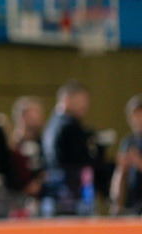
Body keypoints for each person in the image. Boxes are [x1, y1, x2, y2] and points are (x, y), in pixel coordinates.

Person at [41, 80, 107, 210]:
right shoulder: (68, 125)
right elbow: (81, 159)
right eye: (80, 100)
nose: (85, 105)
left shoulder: (51, 123)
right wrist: (99, 150)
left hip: (54, 189)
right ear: (66, 99)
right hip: (71, 190)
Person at [111, 94, 142, 216]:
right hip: (133, 205)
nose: (137, 121)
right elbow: (121, 171)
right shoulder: (129, 141)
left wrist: (138, 162)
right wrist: (117, 201)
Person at [10, 95, 45, 197]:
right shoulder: (11, 144)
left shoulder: (43, 143)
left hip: (40, 194)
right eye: (34, 114)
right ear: (21, 116)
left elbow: (47, 167)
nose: (38, 118)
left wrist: (39, 182)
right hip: (16, 194)